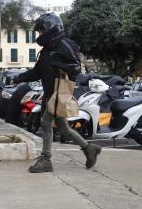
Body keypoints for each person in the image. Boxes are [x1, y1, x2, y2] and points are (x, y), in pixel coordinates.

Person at [14, 12, 101, 173]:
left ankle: (46, 159)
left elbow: (76, 68)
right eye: (38, 31)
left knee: (46, 122)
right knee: (64, 128)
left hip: (60, 93)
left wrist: (58, 64)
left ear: (51, 28)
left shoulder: (65, 44)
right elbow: (37, 72)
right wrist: (18, 78)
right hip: (49, 94)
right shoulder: (46, 50)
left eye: (41, 30)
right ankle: (90, 148)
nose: (39, 34)